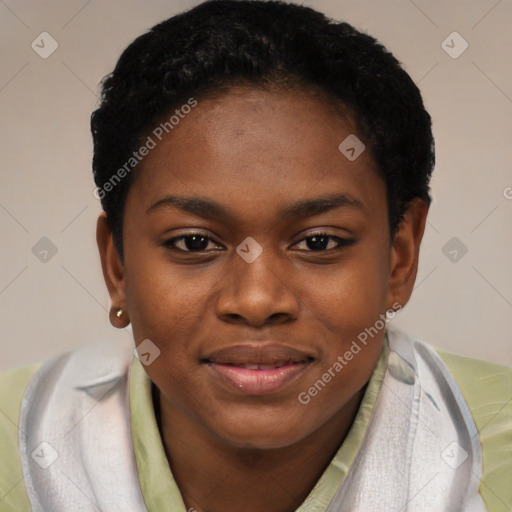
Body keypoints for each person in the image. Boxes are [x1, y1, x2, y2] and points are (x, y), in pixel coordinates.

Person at [1, 1, 510, 511]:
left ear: (400, 257)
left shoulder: (494, 448)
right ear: (118, 267)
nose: (257, 299)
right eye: (194, 243)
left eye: (319, 241)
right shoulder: (19, 443)